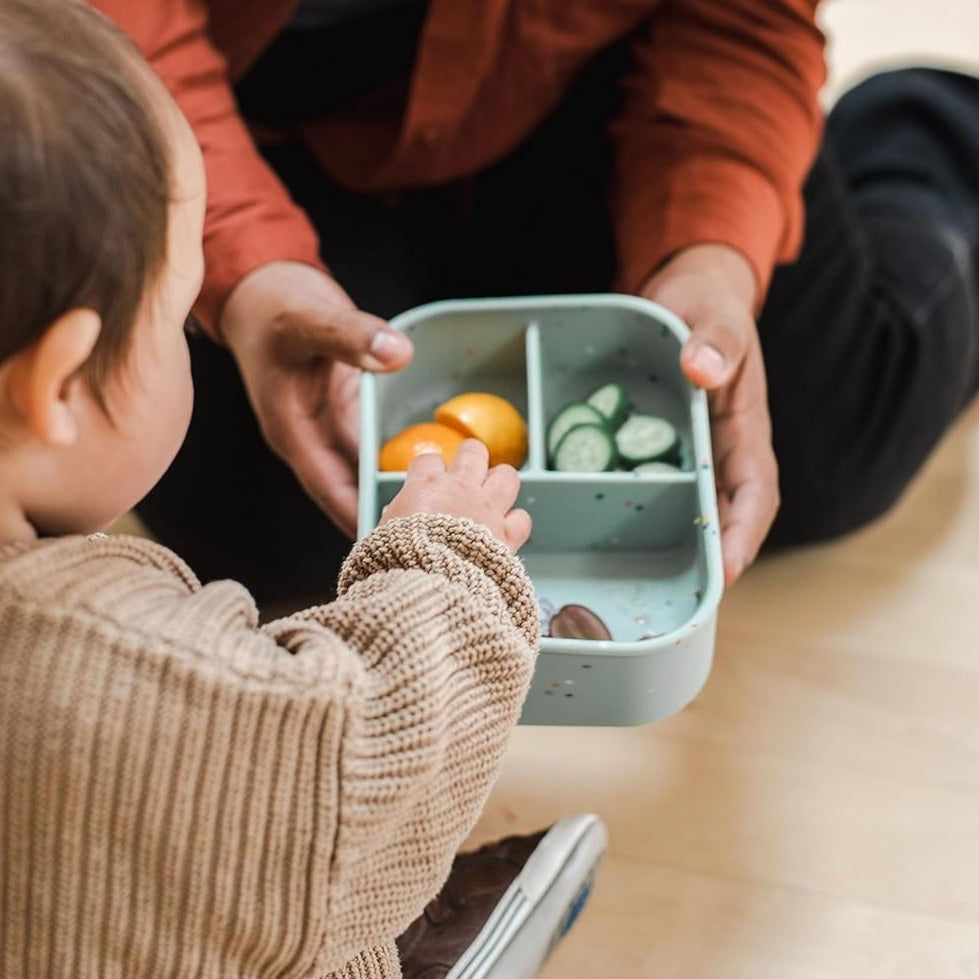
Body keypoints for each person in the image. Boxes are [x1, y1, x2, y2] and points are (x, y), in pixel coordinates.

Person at [0, 2, 607, 976]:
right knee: (330, 886)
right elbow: (359, 763)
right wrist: (442, 558)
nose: (190, 334)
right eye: (177, 314)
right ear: (63, 382)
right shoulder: (143, 675)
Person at [88, 0, 979, 609]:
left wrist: (708, 252)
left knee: (819, 441)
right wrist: (246, 270)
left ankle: (928, 136)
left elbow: (737, 24)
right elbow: (101, 38)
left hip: (605, 96)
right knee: (273, 529)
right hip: (260, 121)